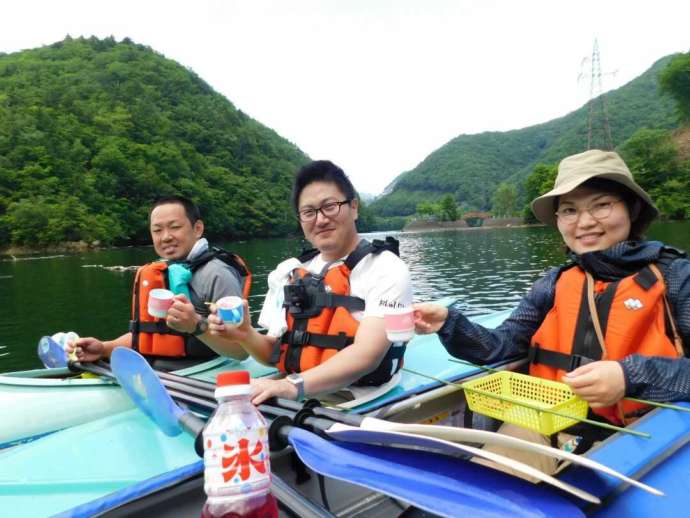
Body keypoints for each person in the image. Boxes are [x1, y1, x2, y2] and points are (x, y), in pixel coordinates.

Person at [414, 149, 690, 473]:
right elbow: (499, 346)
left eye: (601, 205)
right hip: (544, 426)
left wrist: (630, 377)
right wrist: (450, 323)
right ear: (559, 221)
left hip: (644, 436)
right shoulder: (553, 284)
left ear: (631, 208)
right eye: (570, 210)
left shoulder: (676, 277)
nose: (585, 222)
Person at [207, 160, 413, 404]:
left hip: (357, 396)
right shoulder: (288, 271)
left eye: (330, 206)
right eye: (309, 212)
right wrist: (246, 335)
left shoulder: (386, 267)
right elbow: (275, 352)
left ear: (354, 207)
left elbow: (367, 355)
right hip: (295, 388)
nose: (321, 219)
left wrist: (290, 386)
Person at [69, 195, 250, 371]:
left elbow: (241, 350)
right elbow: (152, 334)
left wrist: (196, 326)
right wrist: (104, 348)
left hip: (201, 371)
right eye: (157, 230)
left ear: (197, 228)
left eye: (175, 227)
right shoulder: (163, 270)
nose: (165, 237)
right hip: (154, 372)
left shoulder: (217, 274)